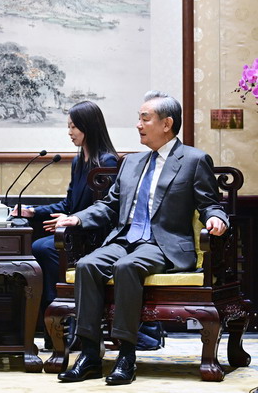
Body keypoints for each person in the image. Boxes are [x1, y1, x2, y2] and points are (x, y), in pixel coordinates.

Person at [55, 91, 228, 385]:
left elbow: (210, 203)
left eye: (144, 118)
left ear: (166, 124)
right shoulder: (132, 162)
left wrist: (216, 218)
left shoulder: (193, 160)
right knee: (87, 265)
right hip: (124, 238)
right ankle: (90, 355)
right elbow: (110, 205)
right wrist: (78, 218)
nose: (138, 124)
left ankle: (126, 356)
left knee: (127, 267)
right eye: (139, 118)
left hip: (163, 244)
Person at [12, 101, 117, 331]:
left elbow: (105, 209)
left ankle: (63, 315)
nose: (69, 132)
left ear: (88, 126)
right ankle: (52, 317)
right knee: (38, 246)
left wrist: (74, 218)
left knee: (44, 247)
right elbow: (69, 204)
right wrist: (33, 211)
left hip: (94, 236)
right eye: (68, 126)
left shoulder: (107, 162)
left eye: (73, 127)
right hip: (74, 232)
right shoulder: (79, 161)